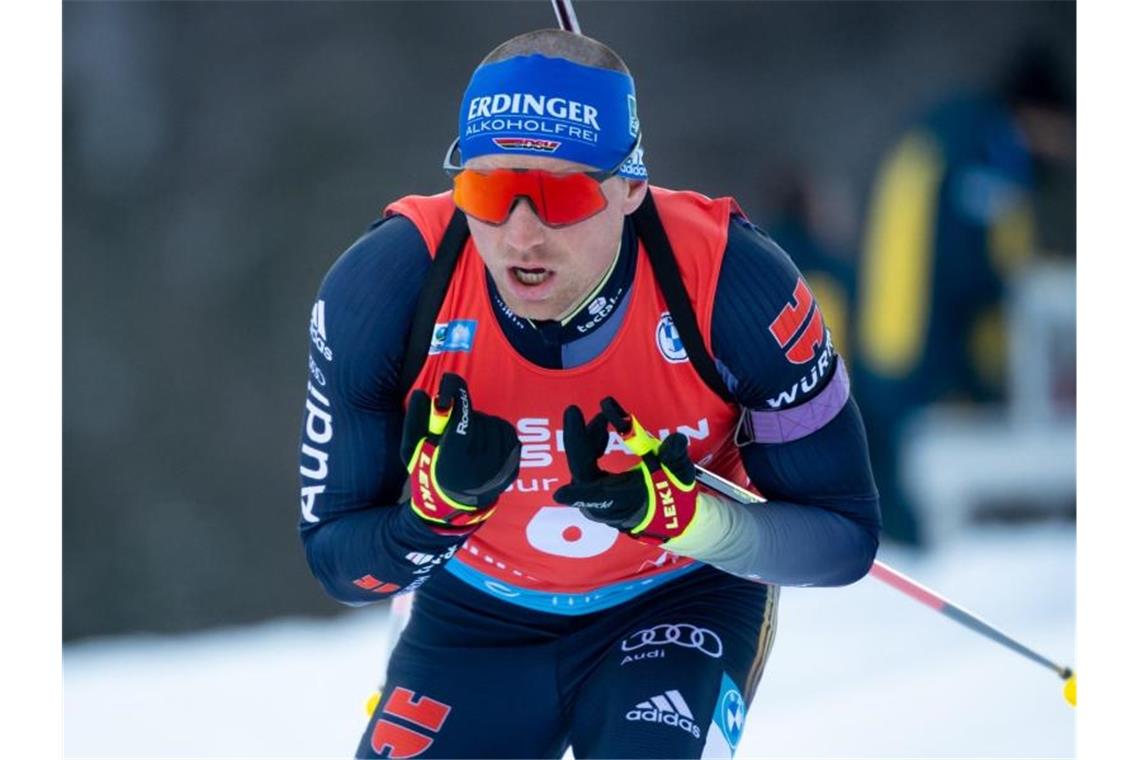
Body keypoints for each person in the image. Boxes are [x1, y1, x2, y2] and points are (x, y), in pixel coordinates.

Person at [299, 29, 880, 759]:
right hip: (477, 617)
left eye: (560, 196)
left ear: (632, 186)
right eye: (487, 192)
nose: (521, 237)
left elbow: (844, 540)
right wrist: (430, 519)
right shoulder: (385, 288)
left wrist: (686, 520)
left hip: (678, 601)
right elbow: (338, 562)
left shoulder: (732, 283)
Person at [854, 42, 1075, 546]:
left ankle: (895, 552)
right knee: (908, 464)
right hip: (915, 331)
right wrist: (981, 358)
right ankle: (909, 556)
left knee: (889, 449)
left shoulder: (958, 130)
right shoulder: (983, 143)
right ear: (1039, 115)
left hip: (895, 322)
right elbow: (967, 260)